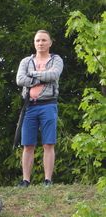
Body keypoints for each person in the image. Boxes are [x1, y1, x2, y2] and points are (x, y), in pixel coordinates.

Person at [16, 30, 64, 187]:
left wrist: (32, 75)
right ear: (34, 43)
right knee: (27, 145)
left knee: (48, 144)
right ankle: (25, 180)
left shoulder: (56, 60)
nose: (40, 43)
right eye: (37, 40)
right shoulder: (26, 61)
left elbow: (54, 75)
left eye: (44, 40)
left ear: (50, 43)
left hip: (48, 104)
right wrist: (41, 76)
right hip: (29, 106)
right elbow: (20, 79)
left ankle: (48, 180)